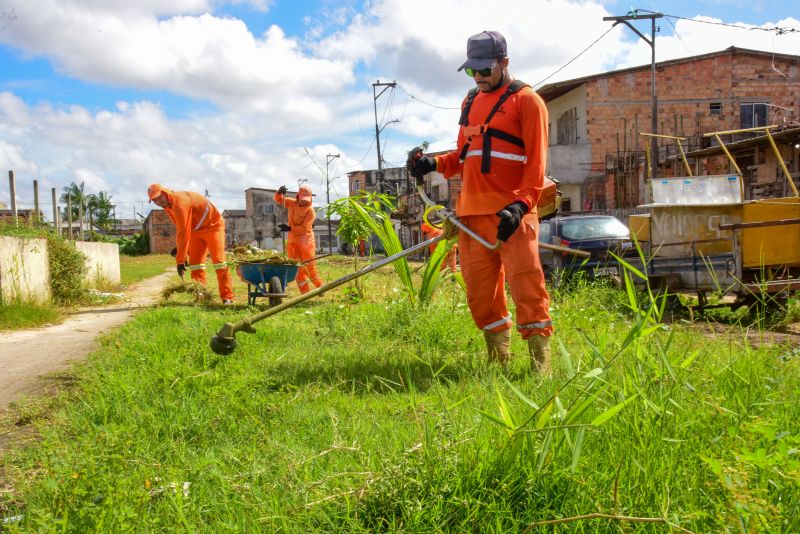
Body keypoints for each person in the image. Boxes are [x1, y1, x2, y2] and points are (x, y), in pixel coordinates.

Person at [407, 30, 552, 373]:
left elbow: (537, 165)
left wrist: (522, 205)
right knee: (480, 295)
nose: (480, 78)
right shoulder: (470, 101)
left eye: (485, 70)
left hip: (512, 216)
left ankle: (539, 367)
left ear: (504, 63)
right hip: (471, 216)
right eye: (473, 71)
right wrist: (433, 164)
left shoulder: (528, 101)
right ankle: (498, 361)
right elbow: (462, 154)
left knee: (527, 288)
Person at [148, 184, 234, 304]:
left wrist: (180, 260)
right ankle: (200, 295)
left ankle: (227, 297)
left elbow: (182, 231)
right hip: (195, 231)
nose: (158, 201)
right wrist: (180, 249)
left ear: (165, 193)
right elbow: (181, 228)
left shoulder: (180, 202)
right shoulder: (168, 206)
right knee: (196, 265)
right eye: (154, 200)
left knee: (220, 262)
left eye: (159, 197)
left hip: (213, 227)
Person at [274, 184, 324, 294]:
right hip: (293, 241)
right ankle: (304, 292)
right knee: (296, 268)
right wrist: (279, 192)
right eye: (302, 199)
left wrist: (289, 228)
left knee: (309, 266)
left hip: (306, 241)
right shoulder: (292, 203)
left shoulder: (310, 211)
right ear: (298, 197)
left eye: (307, 200)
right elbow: (279, 200)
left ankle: (321, 288)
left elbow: (304, 228)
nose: (304, 202)